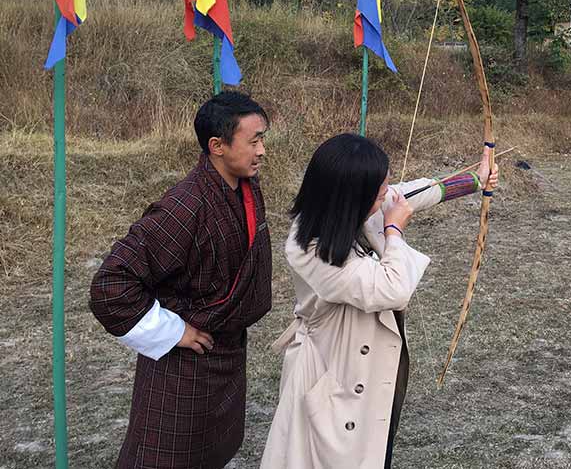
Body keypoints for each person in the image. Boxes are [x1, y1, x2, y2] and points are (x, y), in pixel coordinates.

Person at [260, 133, 499, 469]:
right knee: (331, 456)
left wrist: (475, 179)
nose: (386, 195)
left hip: (370, 367)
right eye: (379, 191)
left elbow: (414, 192)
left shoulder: (350, 209)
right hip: (333, 371)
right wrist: (393, 231)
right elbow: (393, 288)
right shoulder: (308, 248)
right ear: (350, 197)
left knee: (375, 448)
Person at [90, 91, 273, 468]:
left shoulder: (246, 188)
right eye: (253, 140)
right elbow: (111, 286)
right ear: (217, 146)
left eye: (262, 138)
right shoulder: (185, 205)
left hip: (224, 353)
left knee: (211, 453)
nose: (262, 150)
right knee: (165, 457)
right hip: (183, 366)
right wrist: (174, 331)